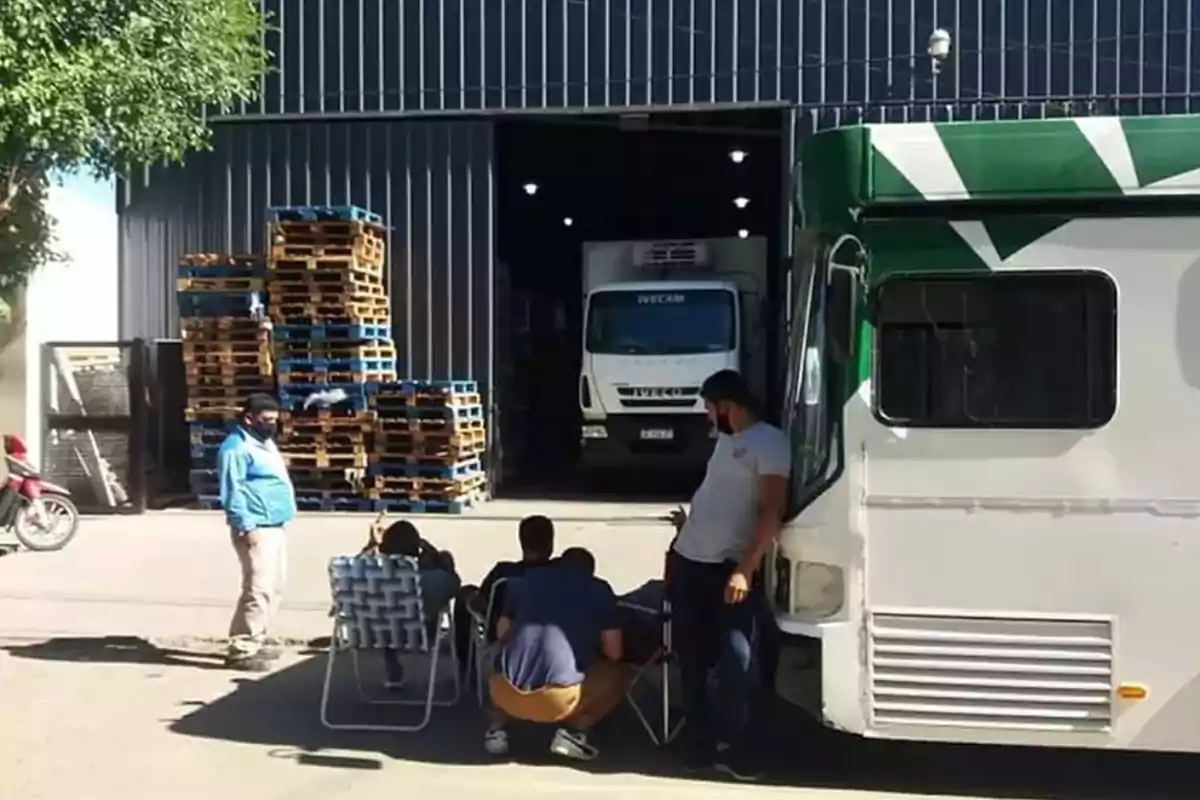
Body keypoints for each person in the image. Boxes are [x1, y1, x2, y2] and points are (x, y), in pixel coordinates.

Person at [665, 369, 790, 781]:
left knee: (737, 657)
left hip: (728, 570)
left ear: (728, 406)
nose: (707, 417)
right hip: (688, 561)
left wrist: (745, 569)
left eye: (709, 408)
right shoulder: (723, 442)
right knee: (692, 659)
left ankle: (737, 746)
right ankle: (697, 747)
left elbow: (771, 510)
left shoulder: (769, 442)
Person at [485, 547, 629, 762]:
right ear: (590, 573)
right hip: (556, 702)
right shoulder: (598, 590)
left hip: (503, 692)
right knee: (618, 673)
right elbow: (614, 652)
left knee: (503, 662)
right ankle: (574, 733)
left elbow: (501, 633)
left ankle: (498, 729)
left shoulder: (524, 582)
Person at [217, 393, 297, 672]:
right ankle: (242, 647)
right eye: (266, 420)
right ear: (249, 418)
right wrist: (245, 525)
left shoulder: (265, 443)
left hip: (275, 524)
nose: (272, 425)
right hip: (256, 527)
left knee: (275, 586)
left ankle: (259, 636)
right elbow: (232, 489)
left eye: (275, 420)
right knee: (257, 588)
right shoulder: (235, 448)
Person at [368, 518, 462, 688]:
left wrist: (370, 546)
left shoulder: (372, 578)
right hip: (421, 634)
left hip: (377, 634)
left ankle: (393, 671)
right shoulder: (431, 579)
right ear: (416, 548)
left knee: (387, 614)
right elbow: (455, 585)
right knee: (423, 608)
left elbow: (351, 571)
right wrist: (437, 556)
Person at [454, 514, 557, 661]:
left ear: (521, 542)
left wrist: (474, 602)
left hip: (503, 634)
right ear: (550, 544)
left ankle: (465, 667)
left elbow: (482, 603)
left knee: (466, 593)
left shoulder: (504, 572)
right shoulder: (560, 571)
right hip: (551, 630)